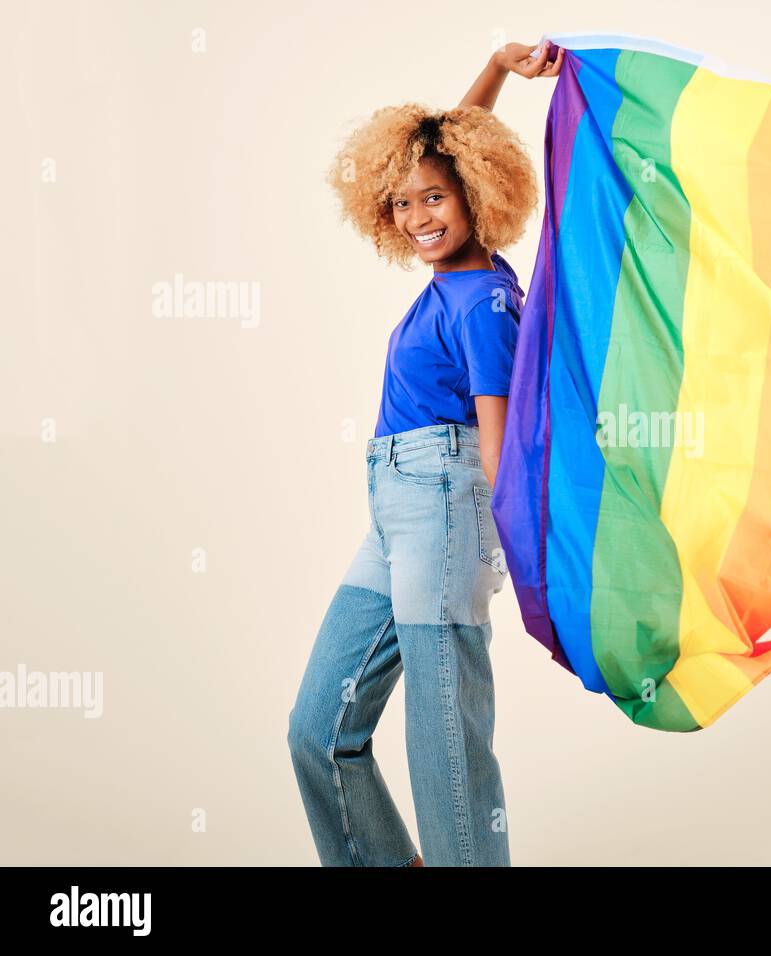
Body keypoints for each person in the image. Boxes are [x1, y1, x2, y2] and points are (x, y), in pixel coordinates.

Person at [287, 40, 563, 866]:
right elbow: (452, 134)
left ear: (475, 196)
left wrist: (522, 547)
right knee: (319, 728)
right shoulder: (452, 284)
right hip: (396, 514)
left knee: (444, 749)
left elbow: (496, 438)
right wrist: (499, 67)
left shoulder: (482, 302)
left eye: (435, 198)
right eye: (404, 203)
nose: (419, 218)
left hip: (446, 507)